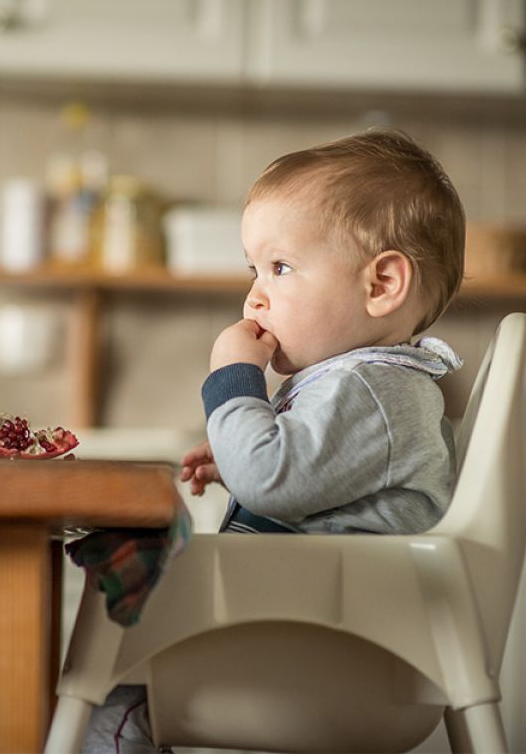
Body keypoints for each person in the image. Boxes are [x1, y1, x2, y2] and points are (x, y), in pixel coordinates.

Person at [82, 128, 465, 753]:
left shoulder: (366, 387)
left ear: (381, 285)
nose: (253, 295)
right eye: (253, 269)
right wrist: (244, 460)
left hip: (336, 658)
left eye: (280, 267)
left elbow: (274, 480)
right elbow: (303, 483)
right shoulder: (372, 389)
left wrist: (232, 382)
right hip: (330, 640)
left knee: (107, 688)